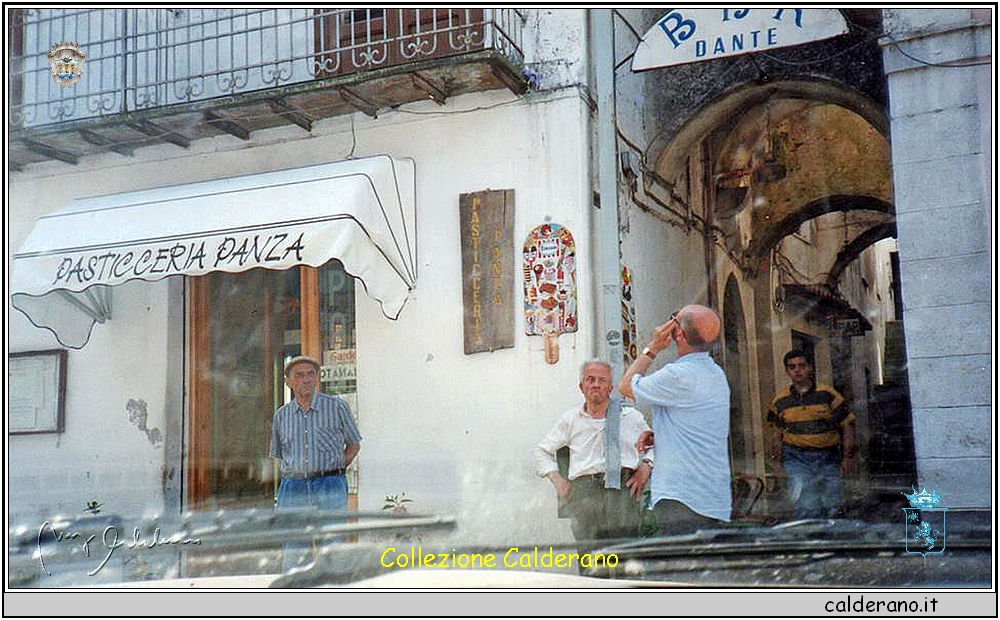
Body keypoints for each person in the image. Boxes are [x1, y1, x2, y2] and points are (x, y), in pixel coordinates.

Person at [618, 305, 732, 535]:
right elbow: (695, 423)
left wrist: (652, 348)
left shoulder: (679, 375)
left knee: (677, 568)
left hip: (682, 499)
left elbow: (625, 386)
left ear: (678, 333)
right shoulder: (715, 374)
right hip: (713, 499)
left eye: (674, 320)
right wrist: (662, 435)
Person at [535, 360, 654, 548]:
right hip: (584, 495)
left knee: (627, 557)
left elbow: (654, 445)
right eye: (590, 380)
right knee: (591, 562)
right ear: (581, 387)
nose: (596, 384)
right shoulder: (571, 419)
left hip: (622, 494)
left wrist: (646, 467)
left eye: (602, 380)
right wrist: (558, 481)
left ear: (610, 388)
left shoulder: (629, 416)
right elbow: (542, 451)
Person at [270, 355, 362, 568]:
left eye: (311, 374)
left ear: (318, 378)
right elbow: (279, 455)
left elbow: (354, 445)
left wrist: (335, 469)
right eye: (299, 375)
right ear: (288, 382)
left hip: (329, 486)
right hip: (293, 488)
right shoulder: (281, 416)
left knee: (331, 548)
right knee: (294, 551)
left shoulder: (337, 407)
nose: (306, 380)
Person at [766, 350, 856, 519]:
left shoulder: (828, 394)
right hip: (796, 458)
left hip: (828, 457)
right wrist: (777, 464)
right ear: (787, 371)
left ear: (810, 368)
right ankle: (810, 541)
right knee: (808, 505)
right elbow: (776, 434)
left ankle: (833, 542)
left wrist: (847, 458)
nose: (797, 370)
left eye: (802, 366)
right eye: (792, 367)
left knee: (834, 506)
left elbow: (847, 426)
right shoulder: (780, 400)